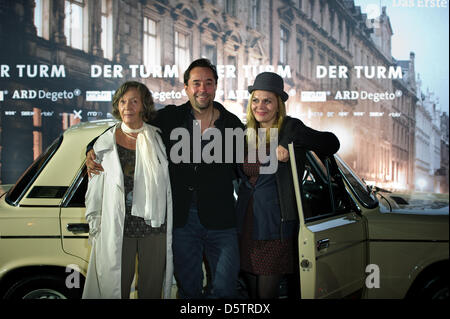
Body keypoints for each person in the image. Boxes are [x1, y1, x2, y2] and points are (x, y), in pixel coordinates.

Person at [86, 59, 244, 299]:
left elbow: (244, 167)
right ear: (186, 88)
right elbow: (128, 126)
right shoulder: (170, 118)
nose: (203, 88)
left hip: (222, 222)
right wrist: (91, 148)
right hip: (181, 222)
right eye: (196, 83)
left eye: (208, 83)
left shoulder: (232, 124)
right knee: (188, 290)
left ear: (216, 86)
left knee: (225, 290)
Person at [235, 72, 340, 299]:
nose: (260, 106)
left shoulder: (291, 129)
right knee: (252, 292)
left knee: (266, 295)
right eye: (256, 100)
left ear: (278, 104)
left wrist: (290, 141)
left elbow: (332, 142)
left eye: (267, 101)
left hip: (276, 226)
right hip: (247, 224)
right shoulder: (244, 134)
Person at [82, 81, 173, 299]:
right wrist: (95, 222)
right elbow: (95, 189)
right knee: (115, 289)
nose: (127, 107)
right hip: (119, 227)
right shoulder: (105, 142)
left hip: (153, 226)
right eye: (123, 101)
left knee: (152, 291)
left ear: (144, 106)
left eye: (134, 101)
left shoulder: (158, 138)